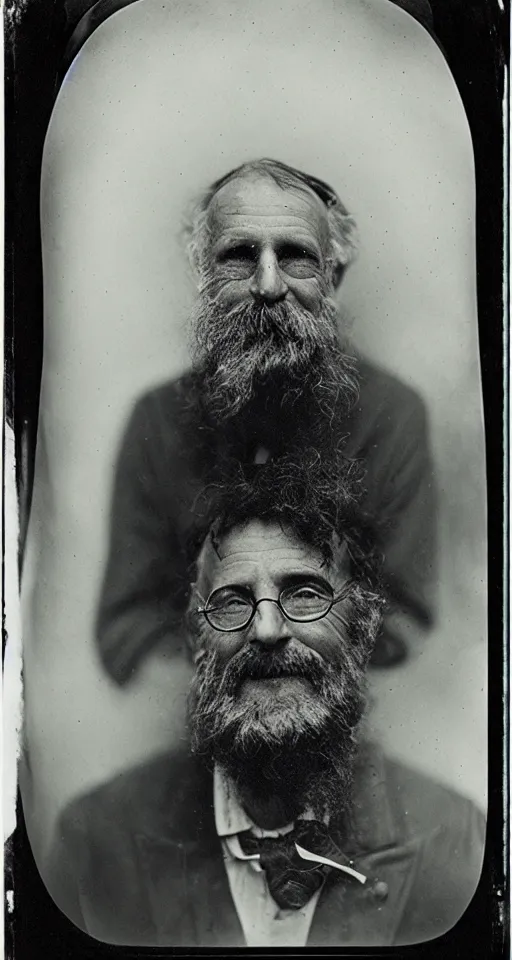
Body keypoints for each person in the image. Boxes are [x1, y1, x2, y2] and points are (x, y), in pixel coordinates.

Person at [45, 455, 483, 947]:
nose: (269, 629)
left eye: (305, 594)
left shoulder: (459, 841)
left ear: (360, 631)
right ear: (195, 638)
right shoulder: (93, 846)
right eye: (233, 601)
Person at [96, 158, 437, 685]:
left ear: (333, 276)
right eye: (239, 256)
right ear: (205, 277)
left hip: (340, 720)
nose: (268, 284)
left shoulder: (391, 416)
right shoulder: (158, 422)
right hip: (195, 723)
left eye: (296, 256)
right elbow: (125, 630)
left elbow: (410, 627)